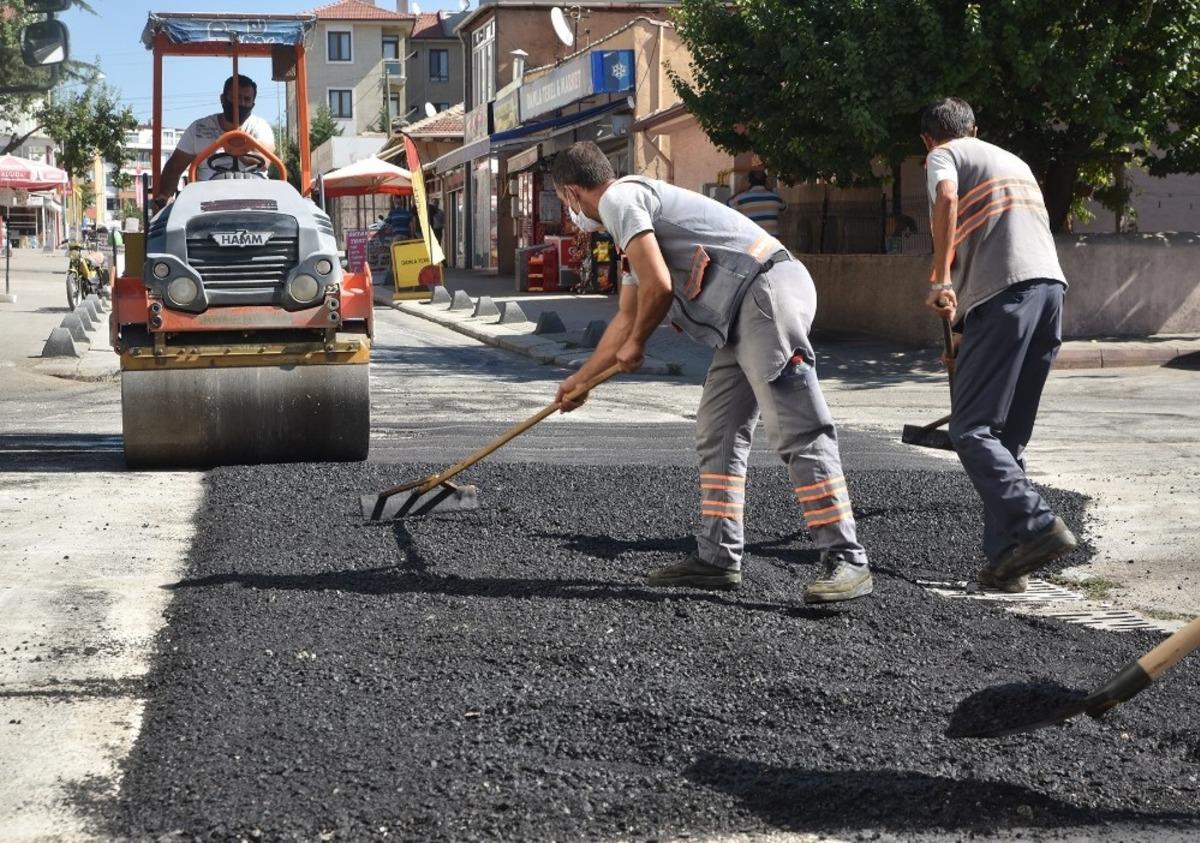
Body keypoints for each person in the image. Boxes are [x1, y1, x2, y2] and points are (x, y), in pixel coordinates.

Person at [551, 141, 872, 603]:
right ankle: (717, 557)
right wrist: (581, 381)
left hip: (764, 295)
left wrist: (638, 345)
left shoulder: (620, 200)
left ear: (570, 193)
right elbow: (626, 315)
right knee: (717, 430)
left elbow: (659, 290)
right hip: (737, 318)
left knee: (797, 426)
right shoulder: (633, 218)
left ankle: (846, 558)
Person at [919, 97, 1077, 593]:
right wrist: (964, 331)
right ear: (976, 127)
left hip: (1005, 295)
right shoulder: (1013, 161)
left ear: (929, 138)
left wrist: (940, 277)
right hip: (1048, 292)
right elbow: (1000, 242)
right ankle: (1007, 563)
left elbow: (946, 199)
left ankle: (1037, 526)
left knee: (970, 429)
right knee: (1005, 438)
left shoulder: (944, 155)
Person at [153, 75, 275, 206]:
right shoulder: (199, 129)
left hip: (254, 198)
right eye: (236, 98)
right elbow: (174, 167)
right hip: (207, 202)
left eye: (247, 99)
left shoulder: (259, 126)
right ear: (223, 99)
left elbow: (264, 161)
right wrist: (164, 197)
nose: (241, 104)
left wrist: (239, 151)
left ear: (253, 104)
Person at [727, 169, 787, 236]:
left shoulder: (741, 198)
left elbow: (728, 205)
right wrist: (770, 190)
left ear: (749, 181)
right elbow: (784, 207)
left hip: (752, 239)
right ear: (765, 181)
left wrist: (740, 190)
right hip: (772, 240)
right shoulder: (775, 198)